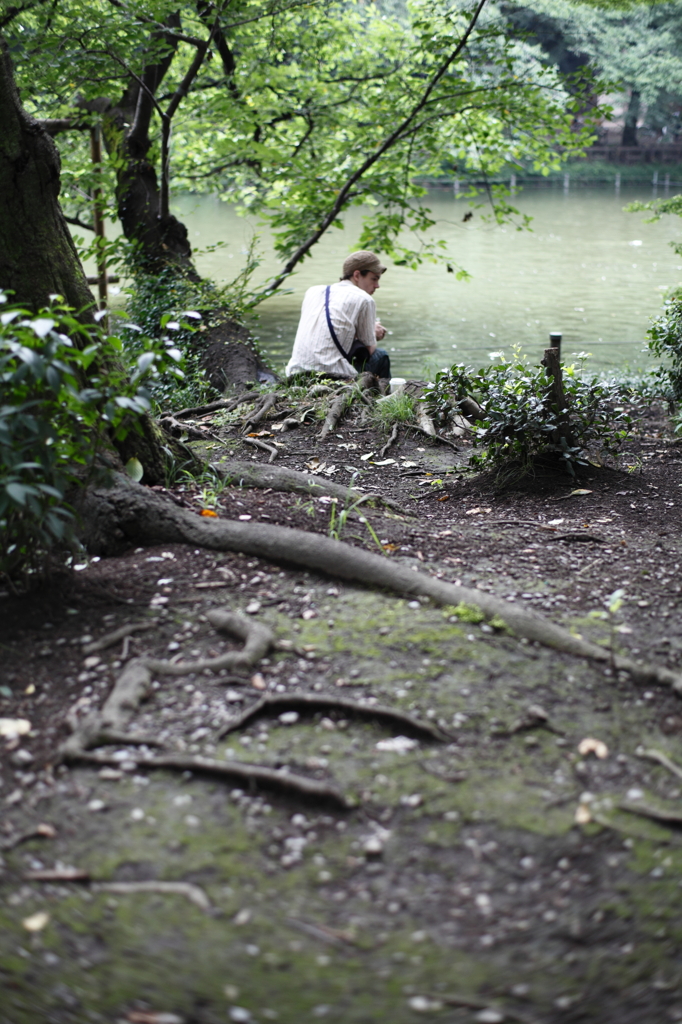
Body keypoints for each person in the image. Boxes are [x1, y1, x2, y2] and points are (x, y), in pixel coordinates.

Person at [285, 250, 392, 379]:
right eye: (374, 279)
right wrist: (373, 333)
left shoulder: (313, 291)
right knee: (381, 355)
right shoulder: (364, 299)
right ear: (357, 275)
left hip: (295, 373)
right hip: (333, 375)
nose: (377, 285)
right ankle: (383, 397)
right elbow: (369, 350)